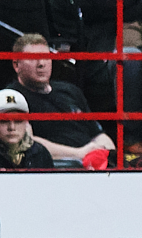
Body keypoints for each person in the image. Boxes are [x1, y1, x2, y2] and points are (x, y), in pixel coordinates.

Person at [6, 31, 109, 162]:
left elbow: (97, 133)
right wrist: (79, 154)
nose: (41, 63)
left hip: (93, 160)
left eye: (45, 57)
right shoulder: (12, 97)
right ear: (16, 65)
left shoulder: (70, 90)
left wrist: (108, 151)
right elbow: (25, 142)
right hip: (56, 167)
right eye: (33, 58)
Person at [0, 85, 51, 169]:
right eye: (4, 121)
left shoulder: (40, 153)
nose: (12, 127)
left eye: (18, 120)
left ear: (27, 122)